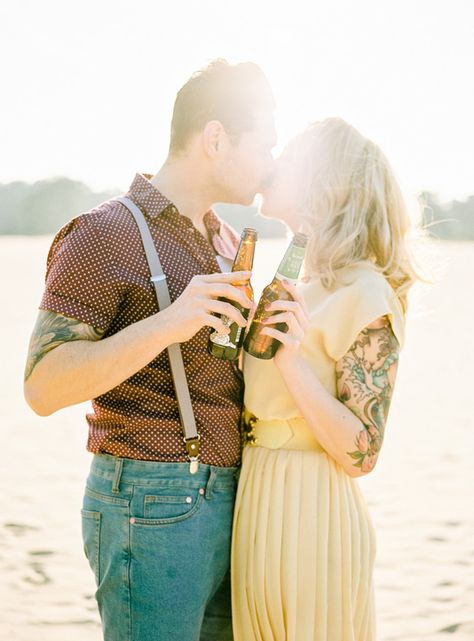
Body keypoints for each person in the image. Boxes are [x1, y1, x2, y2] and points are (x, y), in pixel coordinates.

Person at [24, 59, 276, 641]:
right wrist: (171, 321)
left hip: (234, 498)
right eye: (264, 146)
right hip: (150, 502)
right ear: (215, 138)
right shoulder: (100, 233)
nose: (270, 166)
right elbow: (41, 387)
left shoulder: (226, 240)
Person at [231, 117, 420, 641]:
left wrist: (290, 363)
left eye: (287, 159)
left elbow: (363, 451)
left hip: (312, 515)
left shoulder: (365, 292)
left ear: (322, 182)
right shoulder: (303, 280)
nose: (272, 167)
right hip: (258, 500)